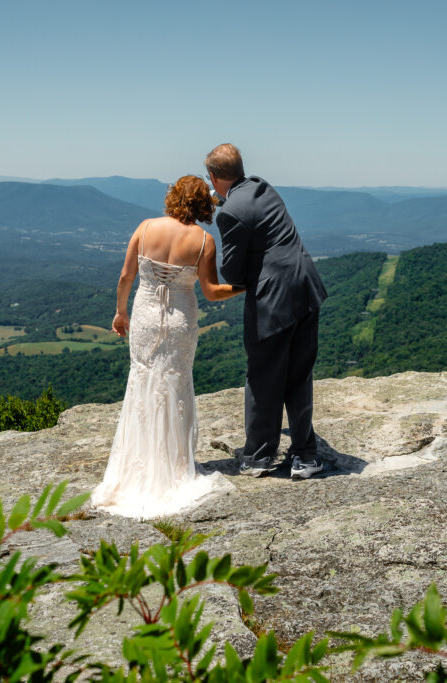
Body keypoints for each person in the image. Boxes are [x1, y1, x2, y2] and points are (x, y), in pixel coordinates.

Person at [92, 175, 242, 519]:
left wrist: (120, 313)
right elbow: (212, 291)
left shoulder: (146, 228)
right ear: (203, 204)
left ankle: (137, 466)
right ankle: (174, 468)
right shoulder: (204, 241)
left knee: (142, 382)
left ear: (174, 197)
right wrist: (244, 286)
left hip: (144, 318)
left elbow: (126, 276)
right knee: (174, 384)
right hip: (179, 322)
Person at [205, 143, 328, 480]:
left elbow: (231, 272)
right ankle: (305, 455)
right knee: (298, 375)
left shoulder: (229, 213)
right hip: (306, 289)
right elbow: (247, 207)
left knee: (263, 377)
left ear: (214, 177)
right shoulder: (263, 187)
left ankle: (259, 455)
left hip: (273, 301)